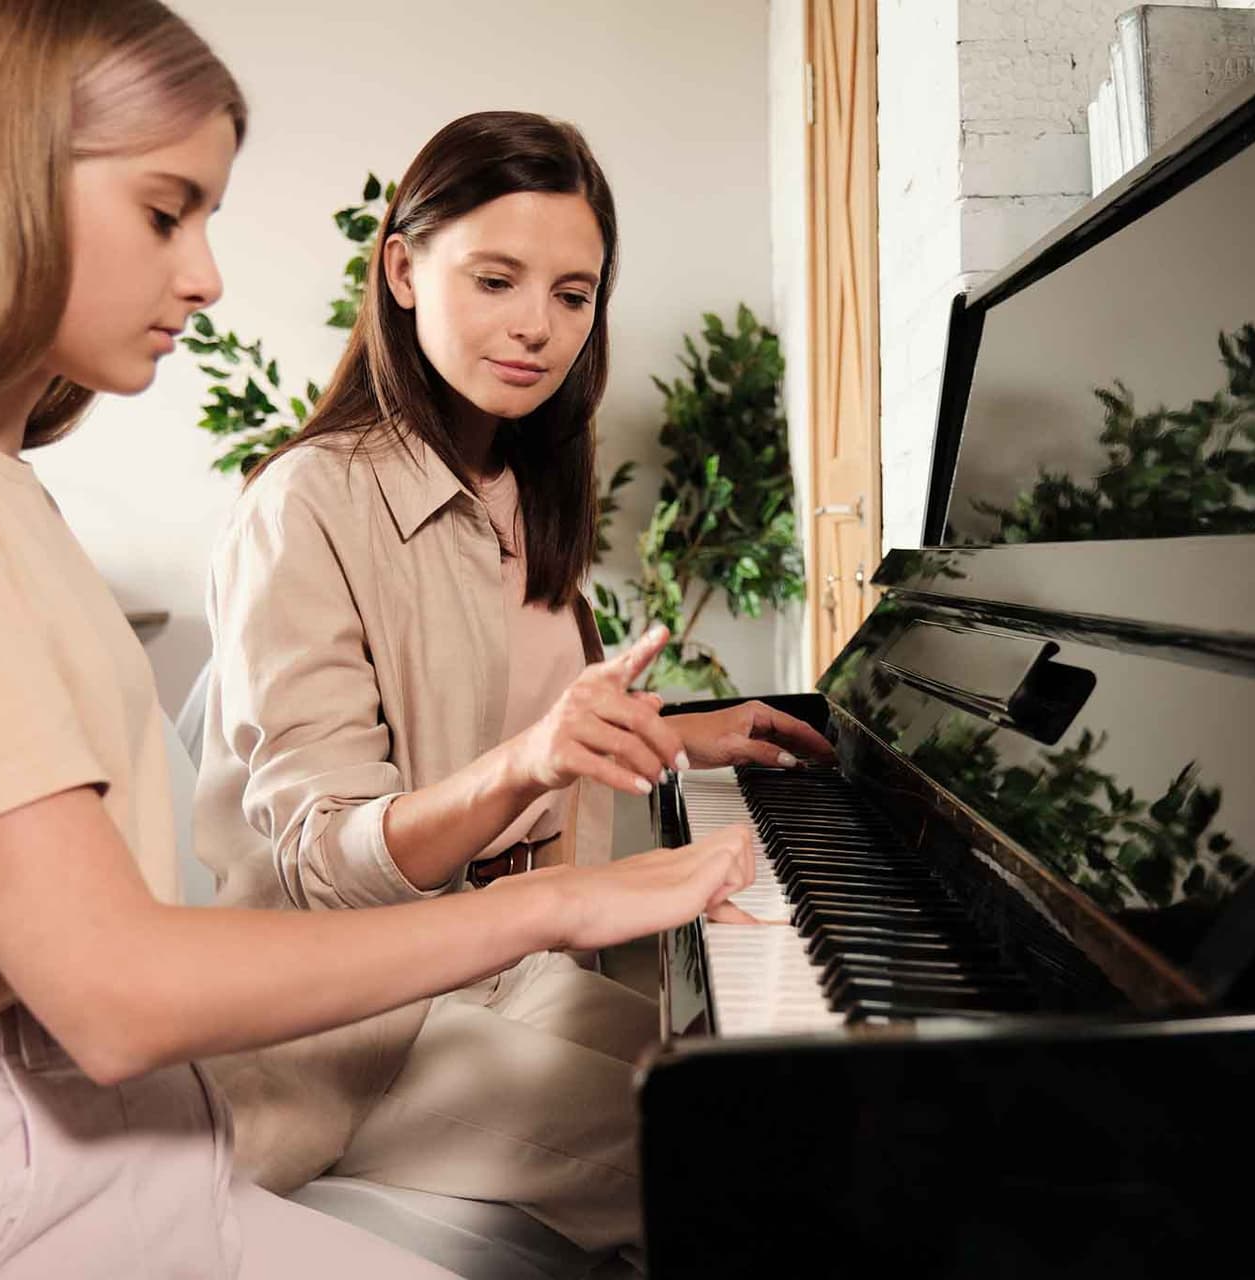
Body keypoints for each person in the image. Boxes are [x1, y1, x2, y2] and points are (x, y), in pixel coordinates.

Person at [0, 6, 752, 1277]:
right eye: (164, 212)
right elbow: (117, 985)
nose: (204, 275)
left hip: (111, 1147)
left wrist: (646, 759)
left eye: (572, 292)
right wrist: (564, 898)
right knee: (747, 1159)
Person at [193, 109, 831, 1252]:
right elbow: (324, 859)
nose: (538, 327)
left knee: (802, 1065)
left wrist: (681, 732)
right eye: (496, 279)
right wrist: (532, 760)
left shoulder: (514, 478)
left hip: (511, 976)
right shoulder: (302, 503)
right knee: (788, 1153)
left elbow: (520, 726)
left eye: (574, 295)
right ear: (401, 267)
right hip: (364, 1039)